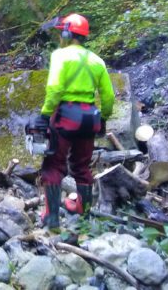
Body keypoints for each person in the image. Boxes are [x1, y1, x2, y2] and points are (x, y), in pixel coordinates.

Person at [31, 13, 115, 230]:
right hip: (90, 119)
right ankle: (83, 212)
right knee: (82, 166)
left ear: (67, 33)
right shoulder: (97, 61)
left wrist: (44, 114)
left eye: (61, 32)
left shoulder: (60, 56)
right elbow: (108, 97)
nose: (60, 36)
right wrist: (103, 118)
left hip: (65, 117)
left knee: (54, 166)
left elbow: (56, 89)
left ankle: (50, 218)